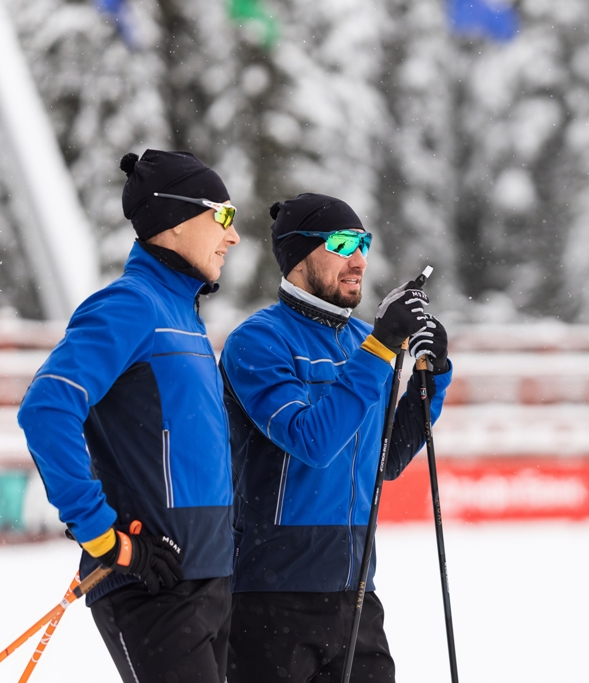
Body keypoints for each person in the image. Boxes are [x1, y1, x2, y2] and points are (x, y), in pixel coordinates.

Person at [18, 150, 241, 682]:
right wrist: (103, 538)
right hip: (150, 582)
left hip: (212, 579)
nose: (233, 236)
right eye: (224, 216)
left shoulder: (181, 316)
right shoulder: (128, 306)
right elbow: (46, 409)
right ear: (176, 218)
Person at [220, 193, 452, 682]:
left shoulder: (364, 342)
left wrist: (431, 382)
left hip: (356, 595)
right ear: (300, 255)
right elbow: (313, 440)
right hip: (271, 599)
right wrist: (382, 348)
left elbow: (383, 458)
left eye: (364, 243)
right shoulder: (258, 341)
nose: (359, 260)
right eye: (344, 243)